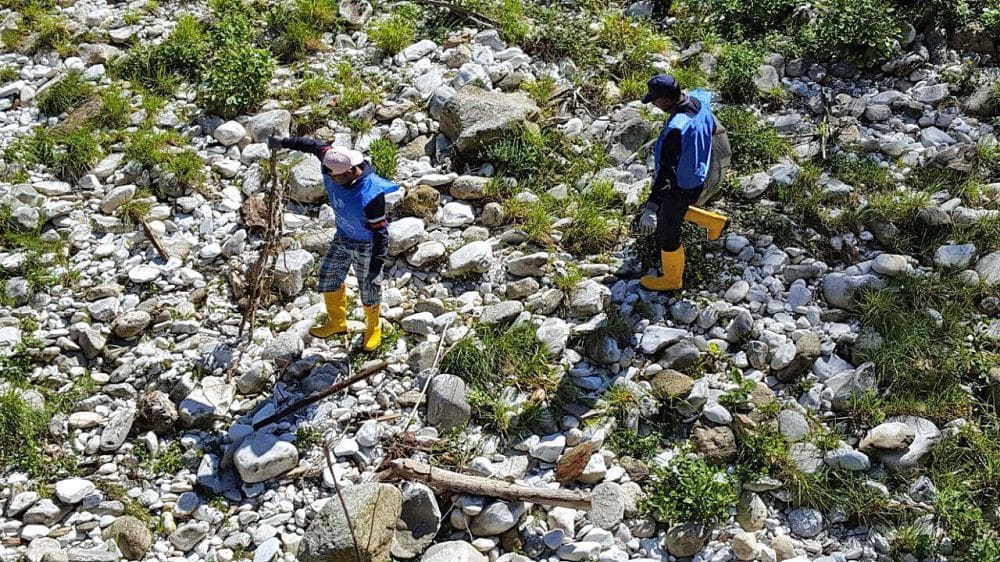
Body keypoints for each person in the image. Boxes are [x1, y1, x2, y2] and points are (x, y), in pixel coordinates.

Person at [267, 135, 399, 350]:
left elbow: (381, 233)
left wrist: (376, 266)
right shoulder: (333, 160)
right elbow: (311, 145)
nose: (327, 176)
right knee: (329, 275)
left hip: (367, 245)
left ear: (349, 172)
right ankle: (337, 323)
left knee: (369, 287)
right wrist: (282, 142)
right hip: (343, 237)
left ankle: (374, 327)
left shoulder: (371, 194)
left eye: (332, 176)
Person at [637, 74, 728, 291]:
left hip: (683, 183)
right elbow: (706, 94)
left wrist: (651, 206)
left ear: (668, 100)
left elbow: (667, 174)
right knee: (674, 209)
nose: (654, 104)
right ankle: (715, 223)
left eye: (655, 100)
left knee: (668, 230)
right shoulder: (697, 101)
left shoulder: (677, 129)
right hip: (700, 172)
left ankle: (672, 279)